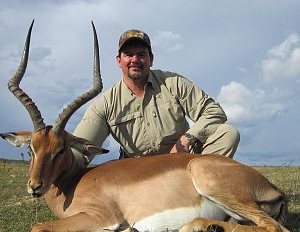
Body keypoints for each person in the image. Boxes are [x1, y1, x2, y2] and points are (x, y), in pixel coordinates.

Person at [73, 29, 240, 164]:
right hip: (141, 173)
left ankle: (201, 190)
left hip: (182, 162)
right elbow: (80, 149)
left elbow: (214, 112)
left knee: (227, 133)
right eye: (128, 54)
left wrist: (187, 138)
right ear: (119, 60)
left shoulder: (172, 82)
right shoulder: (105, 103)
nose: (135, 60)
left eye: (141, 54)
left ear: (151, 59)